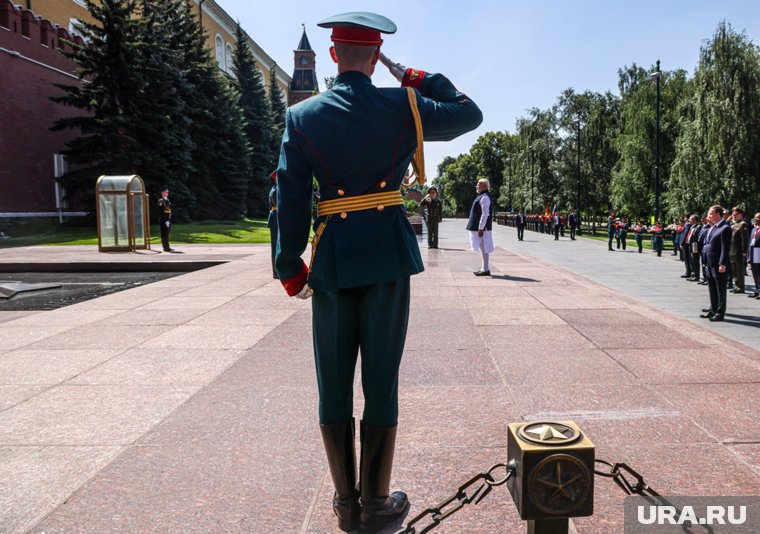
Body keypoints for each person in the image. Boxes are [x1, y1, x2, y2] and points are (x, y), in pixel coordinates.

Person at [273, 12, 482, 533]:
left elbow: (290, 196)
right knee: (382, 381)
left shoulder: (304, 118)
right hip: (387, 257)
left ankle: (345, 504)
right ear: (375, 56)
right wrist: (408, 74)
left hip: (334, 259)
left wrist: (289, 266)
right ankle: (377, 503)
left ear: (332, 55)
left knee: (334, 384)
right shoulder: (402, 104)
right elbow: (468, 113)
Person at [701, 205, 732, 321]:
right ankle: (712, 309)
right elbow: (707, 245)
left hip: (718, 264)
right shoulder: (712, 228)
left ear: (717, 214)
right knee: (712, 288)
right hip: (709, 263)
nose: (708, 216)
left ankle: (720, 313)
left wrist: (722, 263)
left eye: (710, 213)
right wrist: (704, 261)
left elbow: (725, 248)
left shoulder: (725, 228)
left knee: (720, 290)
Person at [467, 179, 494, 276]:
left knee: (484, 248)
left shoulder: (485, 197)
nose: (477, 186)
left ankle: (485, 269)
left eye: (479, 185)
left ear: (484, 186)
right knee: (483, 249)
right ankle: (484, 268)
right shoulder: (482, 196)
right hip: (480, 228)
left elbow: (485, 214)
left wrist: (481, 228)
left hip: (482, 228)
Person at [729, 207, 749, 294]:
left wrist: (744, 251)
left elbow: (744, 239)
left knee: (739, 269)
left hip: (738, 251)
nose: (733, 215)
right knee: (734, 270)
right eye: (732, 214)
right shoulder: (733, 224)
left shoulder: (743, 224)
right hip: (732, 250)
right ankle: (737, 285)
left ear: (740, 214)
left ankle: (741, 287)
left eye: (735, 214)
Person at [267, 171, 279, 279]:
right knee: (276, 247)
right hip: (277, 218)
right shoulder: (276, 190)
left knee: (276, 246)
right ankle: (276, 272)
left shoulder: (274, 188)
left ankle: (276, 271)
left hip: (275, 218)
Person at [157, 186, 175, 253]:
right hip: (163, 220)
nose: (167, 193)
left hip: (168, 220)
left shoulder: (167, 200)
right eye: (166, 192)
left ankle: (167, 247)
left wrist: (168, 220)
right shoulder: (161, 201)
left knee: (167, 234)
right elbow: (161, 212)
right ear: (163, 193)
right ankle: (165, 247)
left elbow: (169, 210)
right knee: (164, 234)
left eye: (167, 192)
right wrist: (165, 220)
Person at [686, 214, 702, 282]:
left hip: (695, 245)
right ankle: (693, 274)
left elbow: (698, 236)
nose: (689, 220)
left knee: (695, 260)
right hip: (690, 245)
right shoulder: (691, 227)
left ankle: (696, 275)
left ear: (695, 220)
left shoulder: (698, 227)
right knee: (692, 260)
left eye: (691, 219)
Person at [748, 212, 760, 299]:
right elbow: (750, 242)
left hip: (759, 252)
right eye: (755, 217)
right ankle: (756, 290)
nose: (755, 219)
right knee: (754, 272)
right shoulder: (753, 229)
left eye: (757, 218)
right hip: (753, 252)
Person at [679, 215, 693, 279]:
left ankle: (688, 272)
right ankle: (689, 271)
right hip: (686, 243)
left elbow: (685, 234)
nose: (684, 218)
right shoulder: (687, 224)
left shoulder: (687, 224)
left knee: (687, 259)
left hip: (685, 244)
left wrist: (682, 243)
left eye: (685, 217)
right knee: (687, 259)